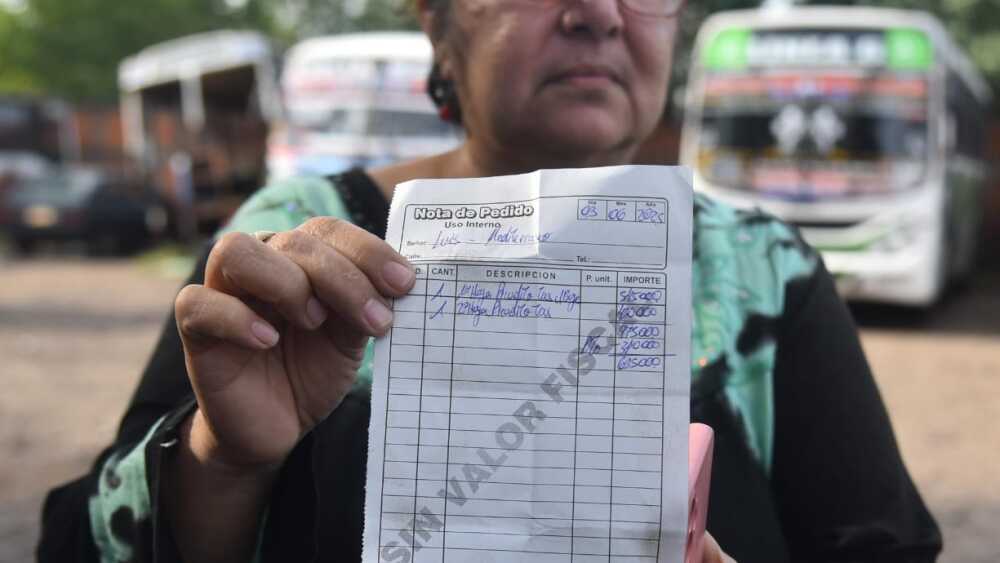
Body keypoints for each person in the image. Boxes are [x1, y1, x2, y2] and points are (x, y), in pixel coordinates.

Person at [39, 0, 942, 561]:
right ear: (434, 18)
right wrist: (227, 458)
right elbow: (89, 542)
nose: (599, 11)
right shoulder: (287, 243)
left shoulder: (765, 271)